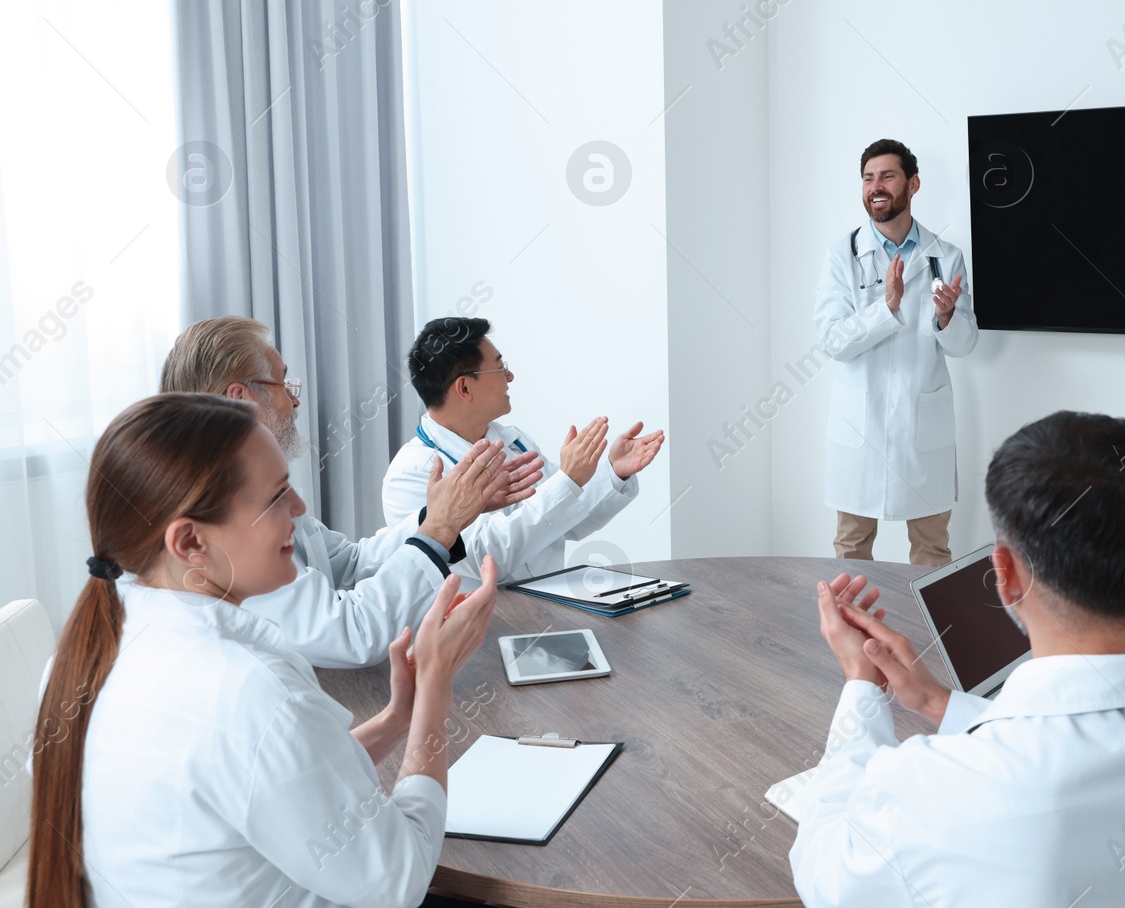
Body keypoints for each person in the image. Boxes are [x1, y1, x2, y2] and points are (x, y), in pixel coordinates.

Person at [789, 411, 1125, 908]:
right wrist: (942, 704)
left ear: (1003, 576)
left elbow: (826, 873)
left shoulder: (939, 790)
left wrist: (860, 683)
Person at [26, 393, 499, 907]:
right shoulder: (250, 691)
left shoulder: (79, 660)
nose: (298, 509)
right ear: (190, 544)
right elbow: (400, 880)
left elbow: (271, 788)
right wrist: (434, 691)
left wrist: (394, 719)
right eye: (277, 498)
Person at [159, 316, 527, 667]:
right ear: (242, 399)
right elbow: (350, 635)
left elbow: (350, 563)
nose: (295, 400)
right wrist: (440, 528)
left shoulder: (251, 491)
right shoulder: (224, 519)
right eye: (283, 385)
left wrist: (442, 514)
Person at [381, 317, 662, 586]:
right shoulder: (412, 474)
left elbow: (568, 521)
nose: (510, 376)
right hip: (478, 624)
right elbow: (485, 560)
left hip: (546, 607)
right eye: (500, 367)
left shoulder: (514, 442)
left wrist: (613, 472)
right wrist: (568, 481)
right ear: (465, 388)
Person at [814, 138, 977, 568]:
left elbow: (964, 344)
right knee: (850, 552)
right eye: (868, 178)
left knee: (932, 554)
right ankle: (850, 635)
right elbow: (832, 340)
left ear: (913, 184)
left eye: (887, 175)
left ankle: (926, 636)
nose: (876, 186)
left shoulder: (947, 258)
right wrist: (886, 307)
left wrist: (946, 318)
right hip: (860, 432)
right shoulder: (842, 256)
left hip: (923, 432)